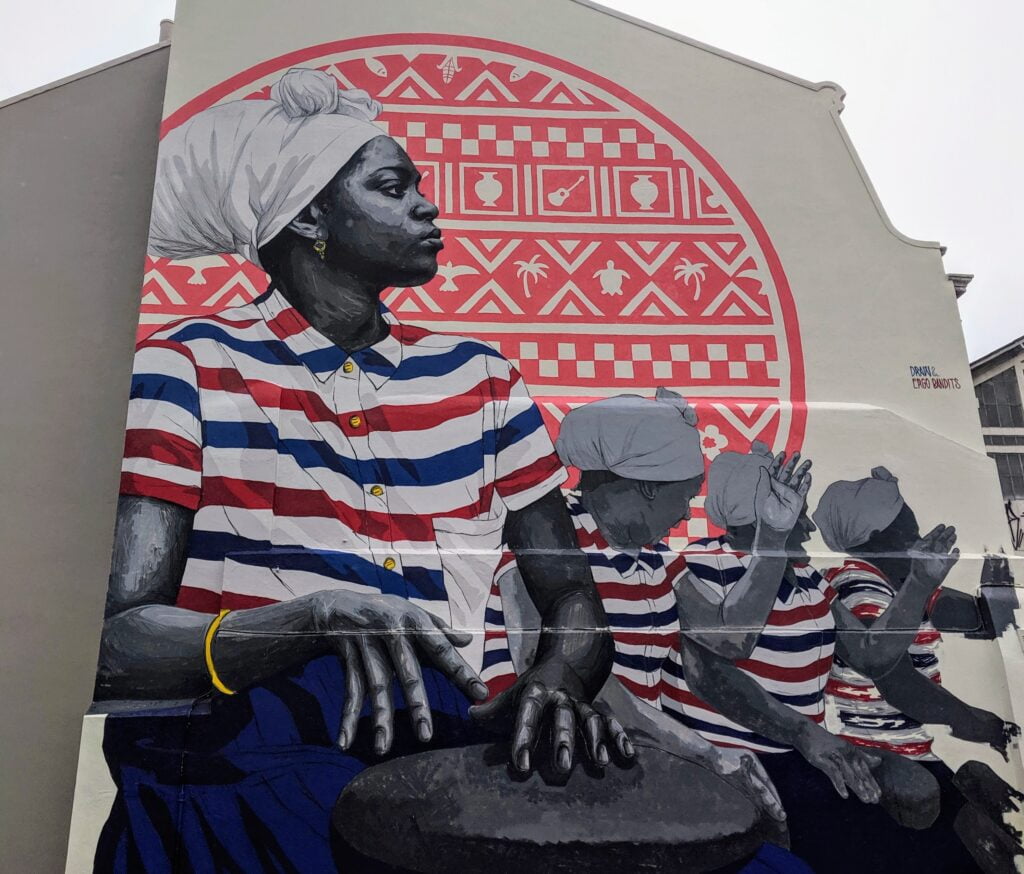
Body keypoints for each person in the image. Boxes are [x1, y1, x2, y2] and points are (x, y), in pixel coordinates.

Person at [95, 68, 628, 872]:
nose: (428, 206)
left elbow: (572, 595)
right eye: (392, 187)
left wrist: (556, 678)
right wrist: (312, 622)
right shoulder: (188, 366)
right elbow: (120, 644)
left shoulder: (480, 377)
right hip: (237, 757)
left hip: (449, 749)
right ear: (309, 213)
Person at [477, 390, 787, 826]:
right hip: (548, 777)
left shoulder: (654, 557)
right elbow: (571, 677)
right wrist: (707, 754)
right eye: (684, 496)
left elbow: (730, 638)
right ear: (645, 486)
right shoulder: (548, 538)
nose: (685, 516)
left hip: (633, 771)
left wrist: (773, 539)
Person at [663, 443, 964, 872]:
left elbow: (871, 655)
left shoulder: (805, 577)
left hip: (807, 754)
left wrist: (918, 583)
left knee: (923, 795)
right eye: (793, 514)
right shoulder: (704, 568)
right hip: (733, 761)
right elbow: (723, 655)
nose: (806, 528)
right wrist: (805, 736)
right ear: (756, 519)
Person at [815, 467, 1022, 870]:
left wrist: (999, 584)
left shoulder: (903, 583)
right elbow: (899, 684)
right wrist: (982, 724)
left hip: (910, 752)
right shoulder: (859, 584)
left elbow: (968, 613)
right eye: (906, 523)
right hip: (878, 761)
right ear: (880, 538)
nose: (918, 532)